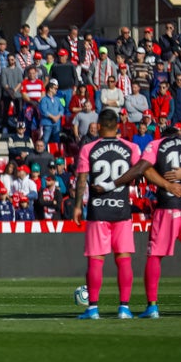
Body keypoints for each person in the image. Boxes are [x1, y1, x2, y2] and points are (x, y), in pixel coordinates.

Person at [112, 127, 181, 318]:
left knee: (155, 256)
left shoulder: (157, 144)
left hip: (167, 206)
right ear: (179, 136)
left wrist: (167, 184)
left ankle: (152, 307)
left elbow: (144, 168)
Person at [72, 109, 140, 319]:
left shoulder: (89, 148)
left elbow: (82, 179)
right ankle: (124, 308)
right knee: (124, 259)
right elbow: (136, 176)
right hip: (121, 209)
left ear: (99, 126)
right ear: (118, 126)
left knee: (95, 259)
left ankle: (93, 309)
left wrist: (77, 206)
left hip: (98, 210)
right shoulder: (131, 148)